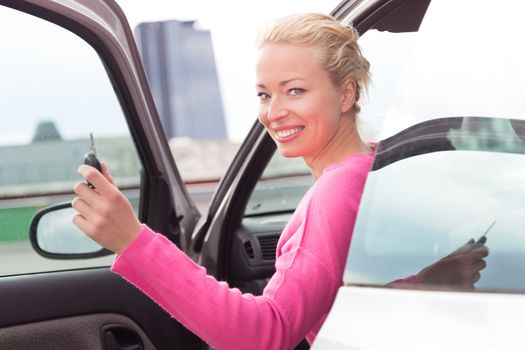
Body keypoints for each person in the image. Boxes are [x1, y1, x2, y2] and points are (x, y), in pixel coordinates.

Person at [72, 13, 488, 349]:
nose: (273, 112)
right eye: (264, 94)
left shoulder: (336, 191)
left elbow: (264, 335)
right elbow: (362, 297)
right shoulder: (381, 168)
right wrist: (426, 281)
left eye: (295, 91)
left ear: (346, 95)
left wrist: (132, 240)